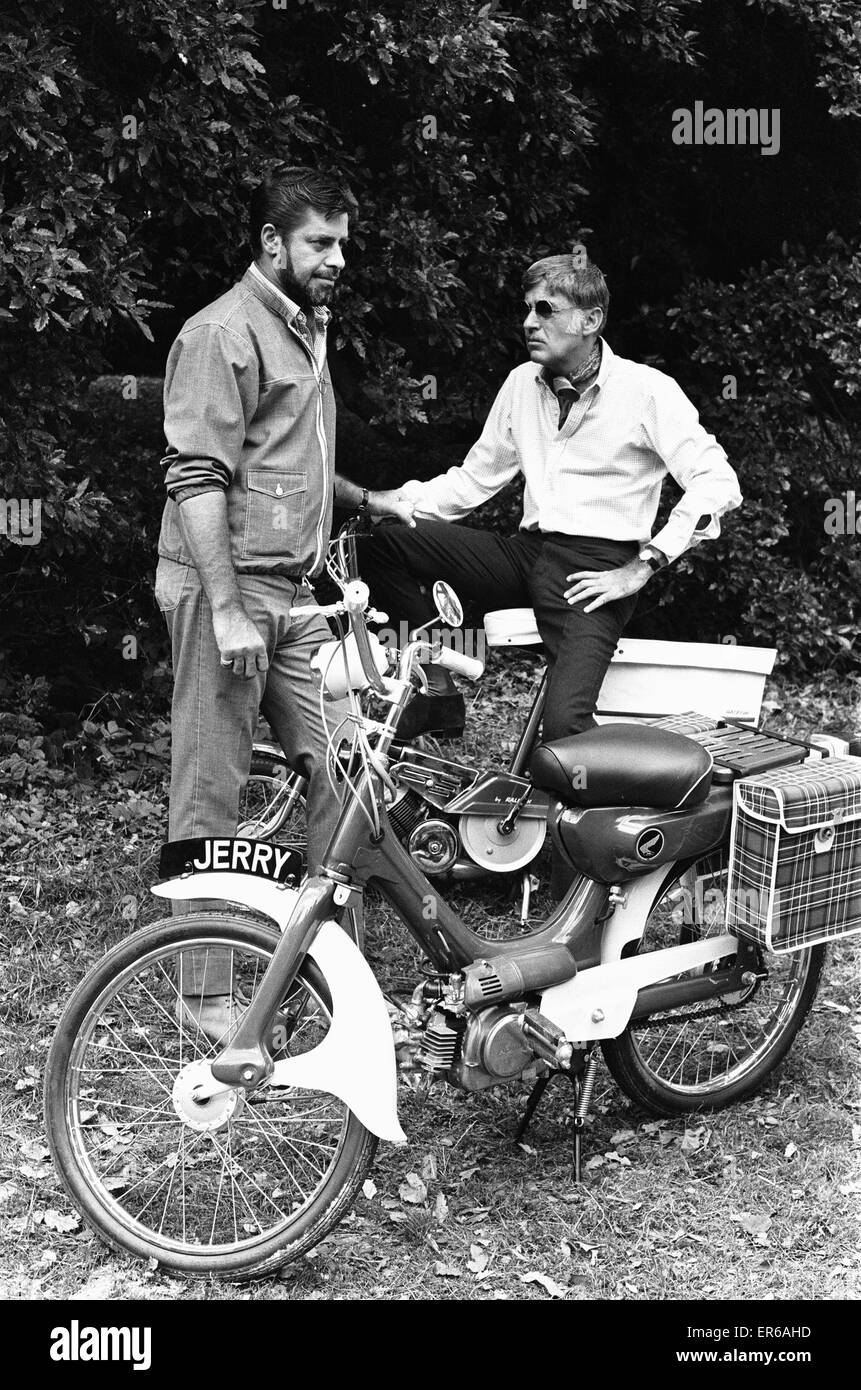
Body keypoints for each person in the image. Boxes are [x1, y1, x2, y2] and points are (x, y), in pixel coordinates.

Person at [358, 254, 742, 890]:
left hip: (596, 568)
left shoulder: (647, 391)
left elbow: (716, 481)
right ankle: (436, 687)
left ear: (591, 320)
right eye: (527, 309)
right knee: (388, 543)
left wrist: (643, 565)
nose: (528, 322)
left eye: (546, 311)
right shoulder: (521, 385)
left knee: (566, 735)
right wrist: (394, 502)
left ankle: (579, 882)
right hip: (529, 552)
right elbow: (474, 481)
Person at [156, 167, 410, 1037]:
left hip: (293, 595)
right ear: (271, 243)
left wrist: (368, 503)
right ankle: (207, 998)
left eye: (342, 242)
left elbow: (287, 454)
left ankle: (325, 959)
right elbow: (197, 476)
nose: (338, 258)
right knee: (211, 786)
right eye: (319, 243)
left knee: (341, 773)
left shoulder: (306, 326)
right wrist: (227, 611)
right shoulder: (220, 333)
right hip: (223, 586)